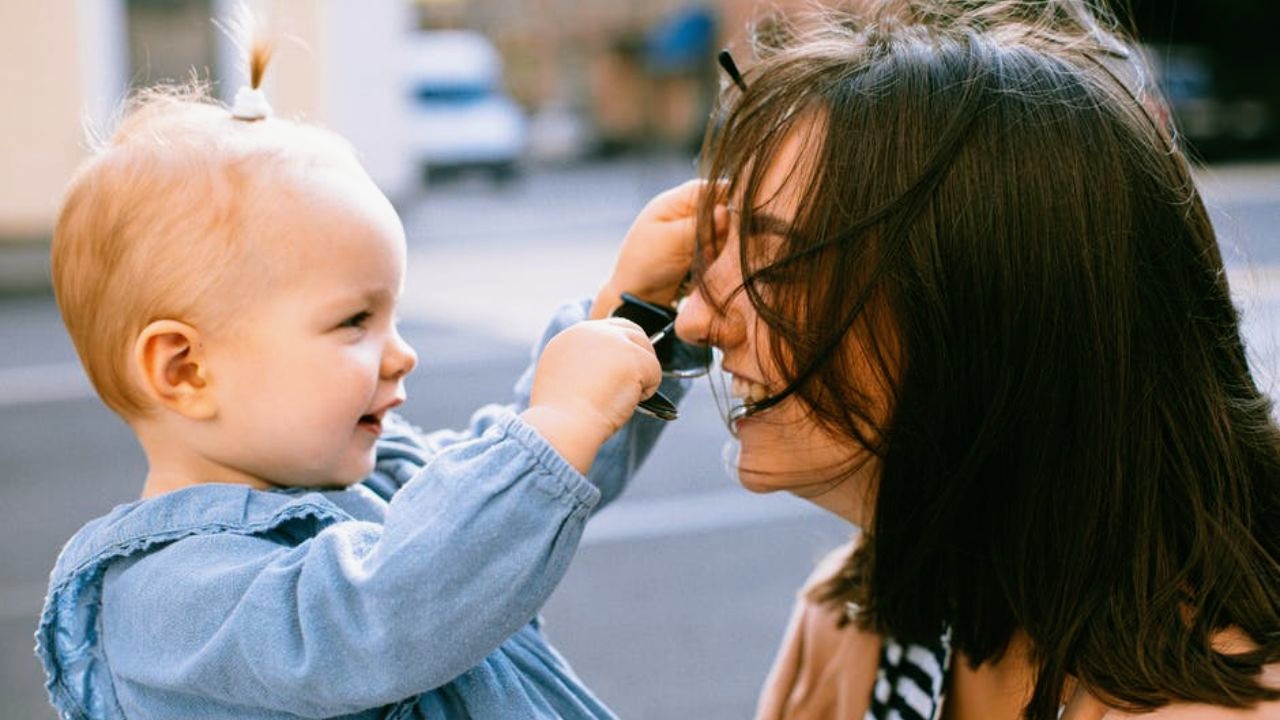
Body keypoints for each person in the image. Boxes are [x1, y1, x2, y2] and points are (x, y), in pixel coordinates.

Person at [35, 25, 708, 719]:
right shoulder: (169, 603)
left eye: (391, 318)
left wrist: (634, 312)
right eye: (354, 322)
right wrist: (559, 419)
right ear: (186, 369)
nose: (401, 353)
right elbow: (385, 608)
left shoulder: (376, 480)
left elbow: (507, 493)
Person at [657, 1, 1280, 718]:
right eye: (721, 251)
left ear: (991, 314)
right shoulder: (855, 619)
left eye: (781, 264)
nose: (695, 317)